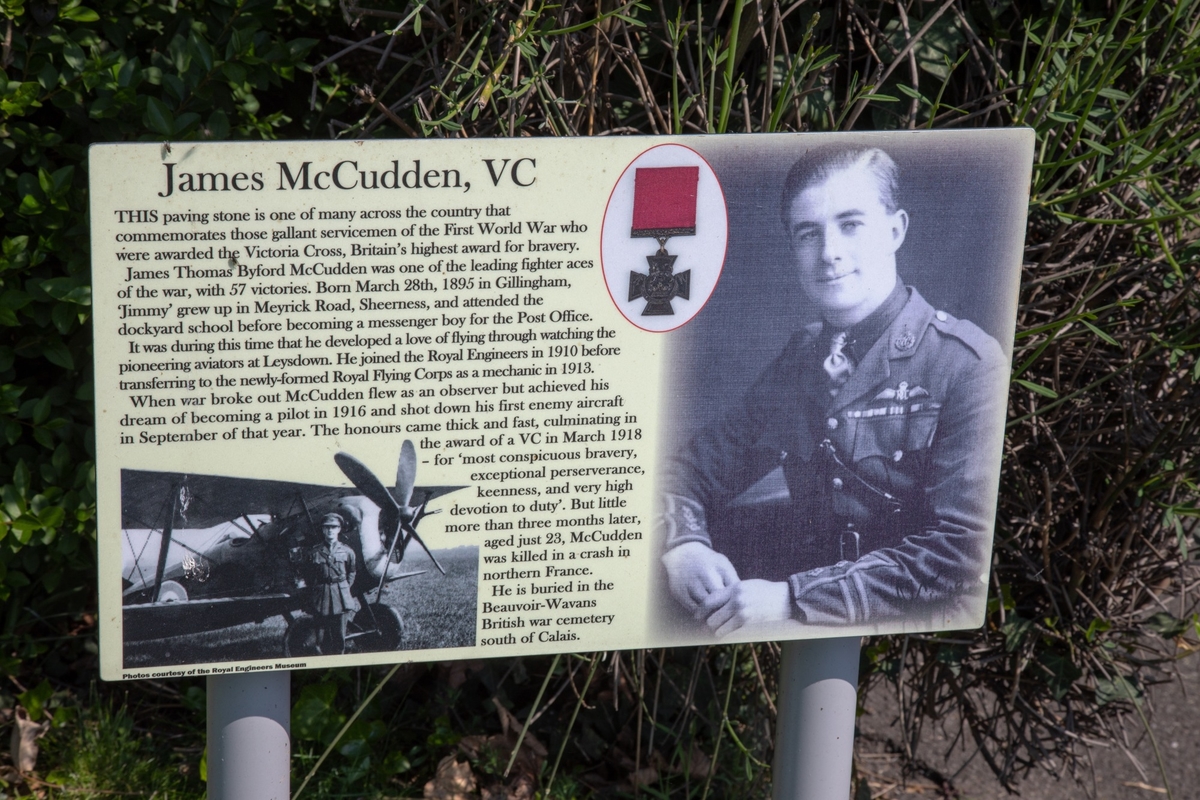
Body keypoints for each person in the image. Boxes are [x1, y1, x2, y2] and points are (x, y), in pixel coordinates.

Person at [659, 146, 1008, 636]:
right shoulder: (802, 359)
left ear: (895, 230)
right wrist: (684, 544)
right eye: (808, 234)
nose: (829, 253)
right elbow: (692, 470)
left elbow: (961, 551)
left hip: (916, 632)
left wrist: (793, 599)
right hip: (811, 628)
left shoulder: (964, 364)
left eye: (851, 224)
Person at [305, 512, 357, 654]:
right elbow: (309, 574)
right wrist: (317, 589)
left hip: (341, 596)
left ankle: (338, 660)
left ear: (339, 529)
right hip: (322, 597)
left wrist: (345, 587)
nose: (330, 530)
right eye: (327, 527)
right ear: (322, 530)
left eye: (333, 527)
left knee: (339, 636)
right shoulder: (314, 552)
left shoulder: (347, 551)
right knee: (321, 637)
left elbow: (352, 571)